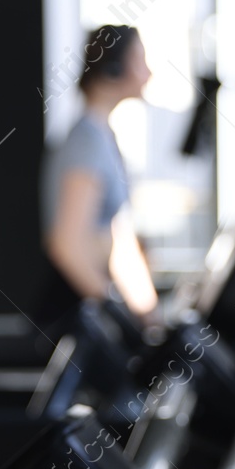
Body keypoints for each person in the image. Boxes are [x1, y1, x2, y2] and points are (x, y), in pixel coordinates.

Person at [38, 24, 159, 330]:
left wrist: (143, 310)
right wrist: (115, 311)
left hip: (89, 310)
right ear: (115, 68)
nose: (149, 73)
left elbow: (114, 236)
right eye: (140, 60)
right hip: (72, 317)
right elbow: (67, 244)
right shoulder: (87, 142)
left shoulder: (102, 137)